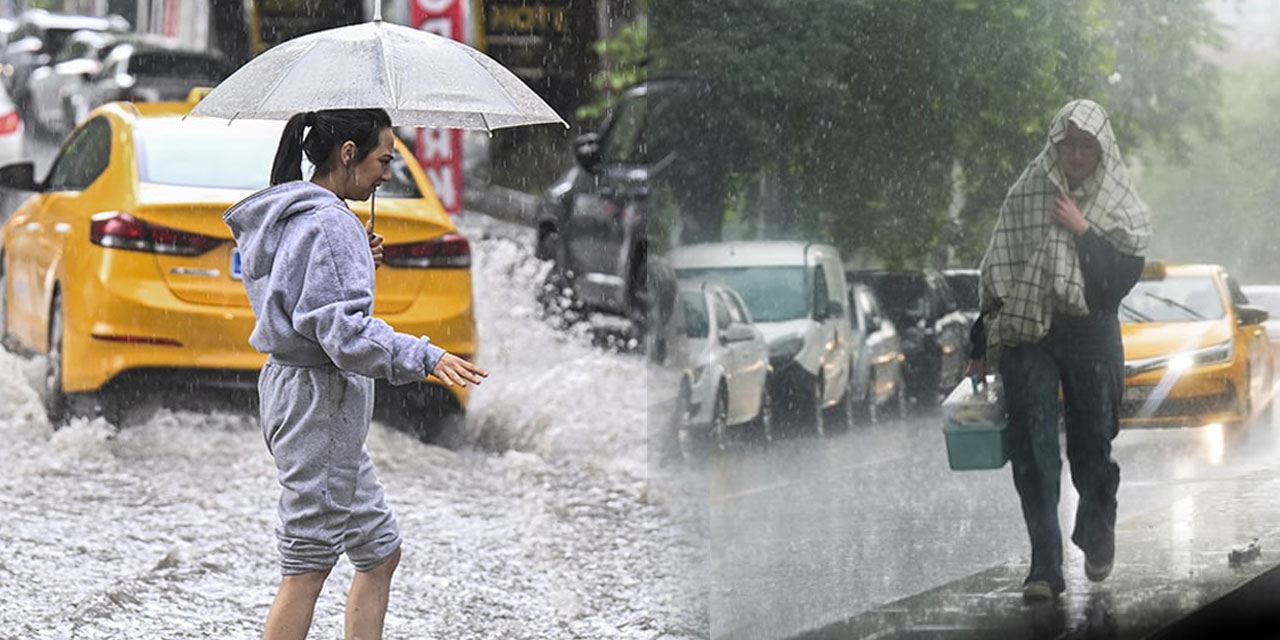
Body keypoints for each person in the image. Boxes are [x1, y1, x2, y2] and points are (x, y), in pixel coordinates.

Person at [224, 108, 489, 639]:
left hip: (309, 401)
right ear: (349, 154)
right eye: (384, 159)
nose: (388, 173)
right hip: (318, 405)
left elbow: (303, 296)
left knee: (379, 550)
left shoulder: (299, 214)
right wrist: (427, 356)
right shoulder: (328, 223)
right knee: (307, 566)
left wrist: (357, 262)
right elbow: (343, 335)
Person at [968, 99, 1149, 602]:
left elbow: (1116, 283)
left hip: (1092, 331)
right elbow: (1000, 267)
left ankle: (1096, 532)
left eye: (1085, 145)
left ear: (1101, 150)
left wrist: (1083, 231)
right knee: (1033, 451)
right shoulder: (1028, 193)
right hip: (1031, 333)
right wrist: (981, 338)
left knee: (1092, 446)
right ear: (1054, 145)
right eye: (1066, 144)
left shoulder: (1119, 206)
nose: (1074, 155)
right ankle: (1044, 567)